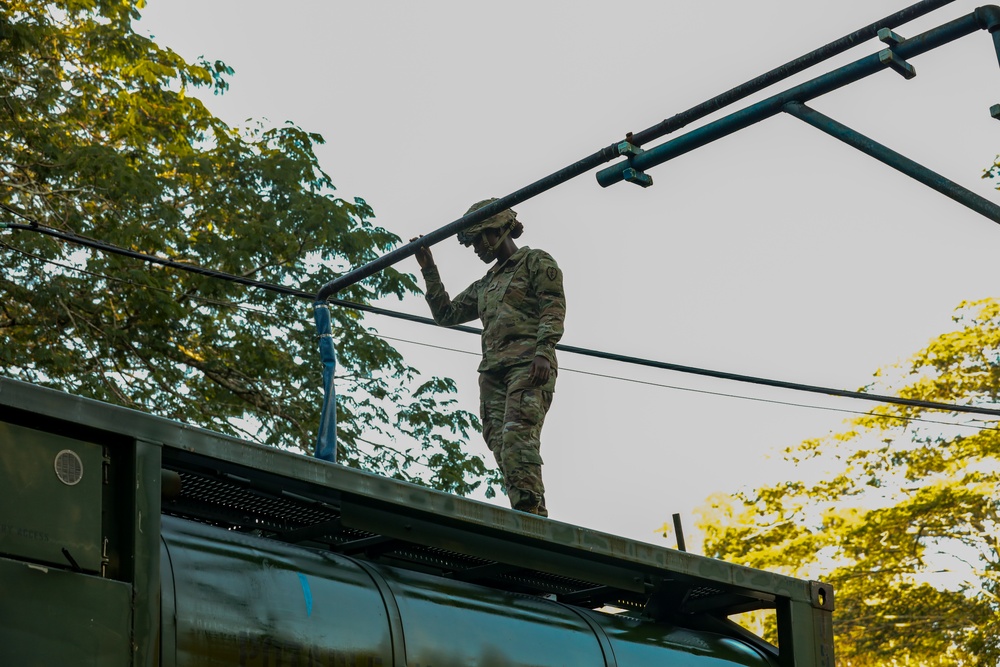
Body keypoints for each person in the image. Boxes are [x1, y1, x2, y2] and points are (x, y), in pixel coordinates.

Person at [412, 199, 566, 517]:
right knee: (499, 442)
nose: (477, 248)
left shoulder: (534, 261)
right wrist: (429, 268)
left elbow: (553, 306)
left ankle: (528, 512)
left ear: (497, 230)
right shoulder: (487, 283)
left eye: (478, 239)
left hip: (528, 365)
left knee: (515, 437)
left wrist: (543, 351)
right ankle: (531, 505)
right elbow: (446, 313)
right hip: (493, 372)